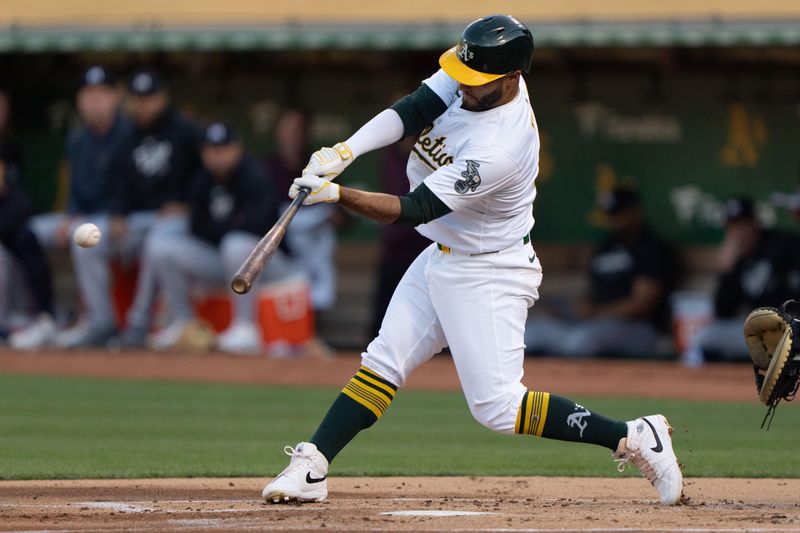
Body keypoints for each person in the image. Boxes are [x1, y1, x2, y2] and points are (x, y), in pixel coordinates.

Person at [261, 15, 683, 506]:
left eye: (477, 83)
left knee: (499, 409)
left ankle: (635, 435)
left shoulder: (501, 146)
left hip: (489, 269)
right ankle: (313, 465)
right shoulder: (472, 70)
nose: (463, 87)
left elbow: (414, 207)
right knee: (382, 362)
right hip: (442, 253)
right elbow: (415, 107)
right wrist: (345, 150)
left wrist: (337, 194)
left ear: (511, 80)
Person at [71, 69, 201, 348]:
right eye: (138, 98)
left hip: (176, 221)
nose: (144, 104)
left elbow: (206, 175)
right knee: (86, 239)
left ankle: (138, 324)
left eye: (150, 97)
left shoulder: (185, 131)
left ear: (163, 97)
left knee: (158, 244)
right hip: (136, 220)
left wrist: (186, 202)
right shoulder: (127, 135)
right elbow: (117, 184)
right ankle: (101, 321)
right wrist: (117, 213)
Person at [147, 122, 293, 353]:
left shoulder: (255, 174)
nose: (218, 156)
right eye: (212, 150)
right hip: (224, 259)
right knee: (163, 248)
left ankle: (246, 328)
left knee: (235, 244)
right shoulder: (203, 179)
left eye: (223, 148)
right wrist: (228, 225)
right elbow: (196, 227)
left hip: (270, 265)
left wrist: (220, 228)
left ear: (237, 148)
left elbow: (256, 228)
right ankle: (183, 323)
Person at [24, 66, 133, 347]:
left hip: (120, 219)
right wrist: (70, 215)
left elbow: (130, 188)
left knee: (86, 237)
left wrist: (115, 213)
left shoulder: (129, 134)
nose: (94, 101)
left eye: (101, 93)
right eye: (88, 94)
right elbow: (75, 189)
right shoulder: (78, 139)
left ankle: (101, 323)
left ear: (115, 97)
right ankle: (45, 315)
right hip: (84, 215)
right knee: (27, 232)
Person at [524, 187, 676, 357]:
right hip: (593, 323)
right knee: (530, 334)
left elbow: (641, 306)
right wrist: (575, 309)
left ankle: (577, 384)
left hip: (637, 328)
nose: (615, 221)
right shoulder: (606, 247)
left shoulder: (651, 249)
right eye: (611, 215)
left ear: (635, 212)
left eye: (620, 213)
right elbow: (593, 292)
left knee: (578, 341)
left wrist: (595, 312)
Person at [682, 197, 800, 363]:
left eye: (743, 224)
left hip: (787, 327)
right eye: (733, 226)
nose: (739, 231)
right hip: (756, 330)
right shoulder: (736, 258)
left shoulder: (783, 245)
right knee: (704, 337)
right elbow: (722, 311)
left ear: (755, 222)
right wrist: (727, 270)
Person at [264, 108, 342, 356]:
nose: (293, 136)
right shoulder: (267, 167)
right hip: (280, 247)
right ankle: (286, 336)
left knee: (318, 265)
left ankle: (311, 337)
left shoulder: (320, 166)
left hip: (312, 245)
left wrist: (335, 214)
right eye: (288, 129)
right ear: (278, 132)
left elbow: (343, 210)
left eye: (298, 130)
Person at [369, 135, 431, 338]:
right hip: (395, 250)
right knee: (383, 316)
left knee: (431, 315)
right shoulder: (390, 158)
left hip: (425, 250)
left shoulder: (431, 158)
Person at [0, 147, 57, 349]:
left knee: (26, 239)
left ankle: (44, 316)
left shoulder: (15, 197)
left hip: (15, 267)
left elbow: (21, 212)